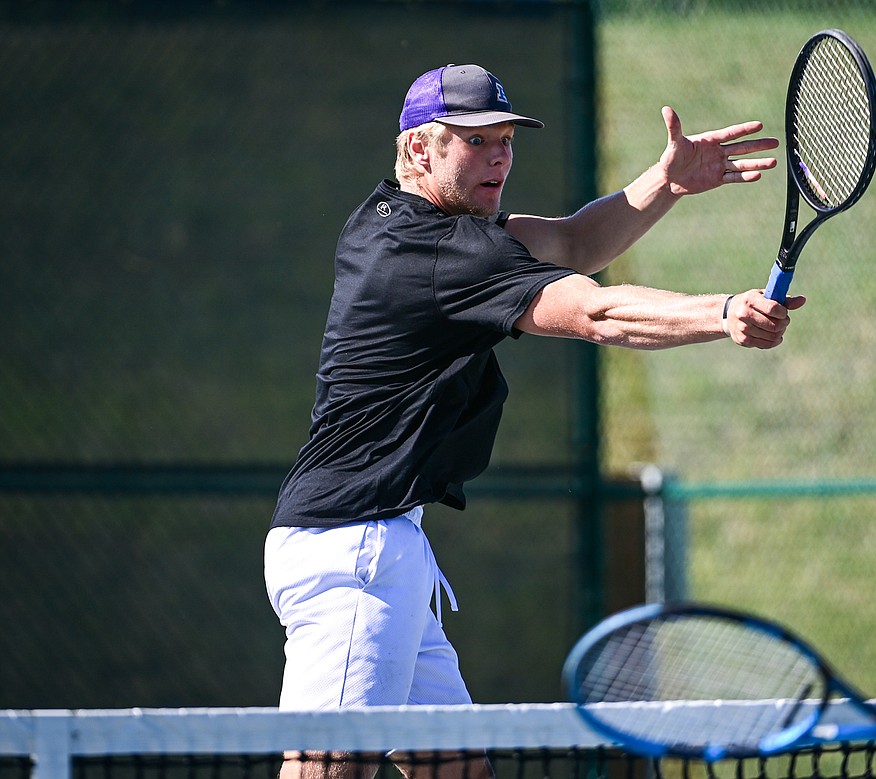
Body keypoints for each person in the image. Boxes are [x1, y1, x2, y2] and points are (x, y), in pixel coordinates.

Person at [264, 63, 802, 778]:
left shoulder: (386, 218)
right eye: (476, 140)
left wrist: (666, 183)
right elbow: (594, 311)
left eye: (506, 140)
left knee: (455, 767)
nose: (499, 156)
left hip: (373, 544)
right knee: (327, 772)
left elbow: (577, 242)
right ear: (420, 149)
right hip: (354, 552)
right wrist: (723, 312)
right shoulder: (444, 253)